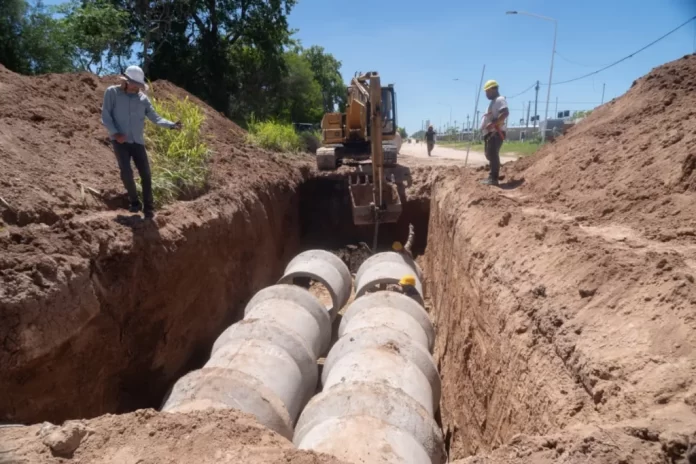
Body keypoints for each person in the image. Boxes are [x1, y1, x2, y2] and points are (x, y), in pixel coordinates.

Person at [101, 65, 182, 219]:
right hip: (120, 141)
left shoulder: (143, 99)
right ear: (125, 81)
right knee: (126, 173)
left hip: (137, 141)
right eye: (133, 84)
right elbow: (106, 115)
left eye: (138, 85)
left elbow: (155, 117)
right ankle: (134, 203)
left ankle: (149, 208)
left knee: (146, 174)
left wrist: (172, 125)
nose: (135, 87)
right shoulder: (112, 93)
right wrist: (115, 133)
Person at [480, 80, 509, 186]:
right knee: (489, 154)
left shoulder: (500, 100)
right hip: (490, 134)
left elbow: (505, 113)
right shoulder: (493, 102)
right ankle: (495, 173)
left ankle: (493, 178)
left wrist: (493, 124)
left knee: (492, 154)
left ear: (493, 89)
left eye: (487, 91)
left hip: (496, 133)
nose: (486, 94)